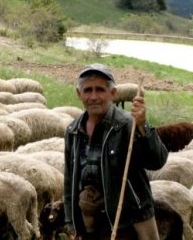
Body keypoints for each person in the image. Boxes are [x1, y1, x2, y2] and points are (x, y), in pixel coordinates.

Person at [63, 63, 168, 240]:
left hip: (127, 218)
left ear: (112, 93)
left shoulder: (128, 125)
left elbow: (156, 161)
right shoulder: (73, 130)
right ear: (79, 94)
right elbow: (69, 178)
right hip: (90, 218)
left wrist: (143, 126)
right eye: (88, 90)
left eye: (100, 90)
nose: (94, 96)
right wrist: (71, 221)